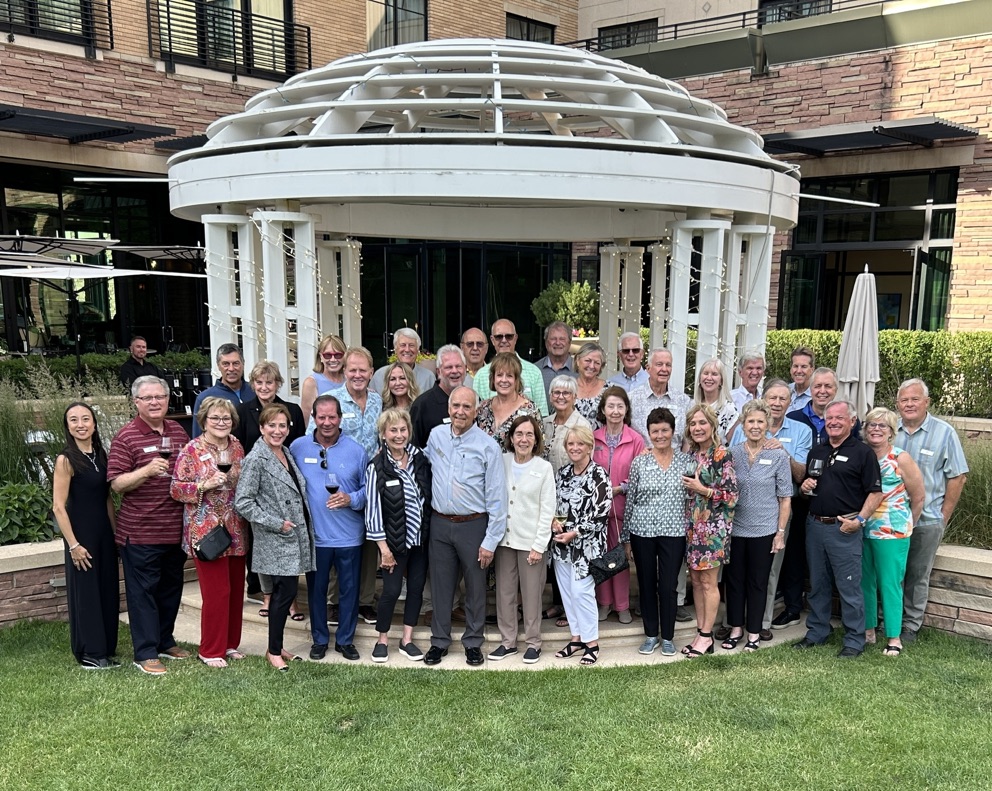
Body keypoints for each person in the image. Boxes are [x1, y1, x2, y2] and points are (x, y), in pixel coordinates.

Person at [107, 375, 192, 675]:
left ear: (168, 400)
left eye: (160, 397)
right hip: (141, 532)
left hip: (174, 530)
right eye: (148, 398)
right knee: (143, 594)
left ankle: (165, 641)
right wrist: (145, 471)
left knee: (170, 589)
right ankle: (144, 652)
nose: (155, 402)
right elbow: (117, 483)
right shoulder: (125, 437)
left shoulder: (178, 431)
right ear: (137, 402)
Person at [423, 387, 507, 666]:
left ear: (475, 411)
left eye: (466, 407)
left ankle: (473, 641)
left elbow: (497, 497)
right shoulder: (435, 436)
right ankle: (439, 641)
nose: (460, 411)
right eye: (455, 405)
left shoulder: (488, 446)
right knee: (441, 587)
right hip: (440, 523)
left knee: (475, 588)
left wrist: (490, 540)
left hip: (474, 525)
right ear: (449, 408)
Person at [796, 400, 883, 658]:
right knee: (818, 584)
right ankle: (817, 632)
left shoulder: (862, 453)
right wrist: (803, 489)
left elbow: (876, 493)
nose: (833, 422)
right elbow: (806, 491)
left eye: (839, 418)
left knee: (849, 587)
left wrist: (860, 521)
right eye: (829, 418)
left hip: (844, 529)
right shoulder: (818, 451)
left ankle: (855, 639)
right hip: (815, 526)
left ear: (852, 421)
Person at [727, 379, 811, 638]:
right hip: (738, 521)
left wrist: (783, 452)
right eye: (771, 397)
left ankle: (759, 625)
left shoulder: (794, 435)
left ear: (789, 402)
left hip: (772, 517)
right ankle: (734, 624)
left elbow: (796, 480)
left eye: (782, 398)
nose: (776, 402)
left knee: (766, 575)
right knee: (736, 576)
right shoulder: (736, 444)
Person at [235, 403, 315, 671]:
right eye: (272, 425)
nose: (278, 430)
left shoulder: (286, 452)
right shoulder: (256, 459)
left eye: (283, 425)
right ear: (261, 427)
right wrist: (276, 523)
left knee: (286, 592)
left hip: (293, 536)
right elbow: (243, 502)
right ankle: (273, 651)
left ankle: (278, 646)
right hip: (275, 538)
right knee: (284, 593)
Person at [170, 397, 248, 668]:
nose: (221, 422)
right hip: (206, 530)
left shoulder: (237, 447)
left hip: (236, 527)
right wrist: (204, 485)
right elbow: (176, 489)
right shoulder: (191, 450)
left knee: (236, 589)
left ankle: (229, 644)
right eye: (215, 418)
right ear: (203, 420)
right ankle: (210, 649)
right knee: (217, 592)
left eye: (226, 418)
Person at [289, 394, 368, 662]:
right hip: (316, 538)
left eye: (331, 417)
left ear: (340, 418)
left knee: (348, 591)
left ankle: (346, 640)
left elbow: (368, 491)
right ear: (313, 418)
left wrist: (351, 499)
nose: (326, 422)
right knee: (316, 592)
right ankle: (319, 639)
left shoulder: (356, 450)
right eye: (321, 417)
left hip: (349, 537)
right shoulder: (298, 447)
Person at [895, 378, 968, 644]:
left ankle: (911, 625)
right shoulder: (890, 430)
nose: (910, 404)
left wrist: (943, 516)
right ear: (897, 404)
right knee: (891, 572)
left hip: (927, 520)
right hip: (890, 519)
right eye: (904, 400)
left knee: (917, 574)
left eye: (915, 399)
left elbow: (957, 477)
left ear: (927, 402)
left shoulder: (944, 432)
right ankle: (886, 621)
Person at [52, 402, 119, 669]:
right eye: (74, 420)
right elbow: (58, 506)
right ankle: (90, 652)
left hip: (104, 533)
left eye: (85, 419)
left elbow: (108, 500)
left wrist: (115, 536)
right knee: (87, 593)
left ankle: (105, 648)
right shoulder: (65, 459)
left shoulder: (102, 454)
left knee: (106, 590)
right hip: (81, 536)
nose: (81, 424)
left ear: (94, 423)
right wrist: (73, 545)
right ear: (67, 426)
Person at [235, 360, 306, 613]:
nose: (264, 387)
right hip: (258, 486)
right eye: (259, 382)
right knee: (261, 543)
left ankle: (291, 598)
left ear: (278, 384)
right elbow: (239, 447)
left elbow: (296, 448)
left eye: (269, 382)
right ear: (253, 384)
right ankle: (265, 594)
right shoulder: (243, 411)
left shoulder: (293, 410)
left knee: (292, 542)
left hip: (286, 483)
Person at [622, 407, 692, 657]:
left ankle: (669, 637)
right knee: (647, 583)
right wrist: (626, 537)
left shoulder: (687, 461)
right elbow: (630, 500)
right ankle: (651, 634)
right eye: (655, 431)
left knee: (669, 586)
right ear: (649, 433)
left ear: (673, 432)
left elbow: (693, 497)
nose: (660, 435)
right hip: (642, 531)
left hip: (674, 532)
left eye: (665, 430)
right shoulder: (640, 462)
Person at [723, 400, 791, 654]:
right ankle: (735, 628)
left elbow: (785, 498)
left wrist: (780, 533)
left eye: (760, 422)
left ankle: (753, 632)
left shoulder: (778, 455)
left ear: (768, 425)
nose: (755, 426)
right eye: (750, 421)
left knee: (758, 582)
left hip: (764, 529)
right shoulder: (733, 453)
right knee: (734, 581)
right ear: (743, 423)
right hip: (735, 529)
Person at [365, 408, 432, 663]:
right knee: (391, 591)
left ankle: (407, 639)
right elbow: (372, 511)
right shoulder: (377, 467)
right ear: (383, 433)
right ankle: (382, 639)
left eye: (403, 430)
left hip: (420, 540)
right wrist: (384, 549)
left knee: (416, 589)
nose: (399, 435)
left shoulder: (419, 459)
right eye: (393, 430)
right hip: (393, 542)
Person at [490, 415, 554, 664]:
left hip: (531, 545)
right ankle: (508, 642)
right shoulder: (501, 461)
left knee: (531, 595)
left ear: (536, 439)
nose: (524, 439)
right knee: (504, 595)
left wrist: (539, 545)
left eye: (529, 434)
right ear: (511, 438)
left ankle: (533, 642)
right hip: (504, 541)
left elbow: (548, 509)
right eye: (519, 434)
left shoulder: (543, 468)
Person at [863, 407, 925, 657]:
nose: (876, 429)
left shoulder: (900, 458)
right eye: (871, 425)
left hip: (893, 532)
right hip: (863, 528)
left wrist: (907, 524)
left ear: (891, 432)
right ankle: (868, 630)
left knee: (889, 584)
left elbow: (919, 496)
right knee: (864, 582)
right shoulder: (863, 456)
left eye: (882, 426)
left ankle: (893, 637)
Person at [551, 424, 612, 666]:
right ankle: (576, 639)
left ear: (590, 446)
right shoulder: (563, 473)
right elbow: (554, 504)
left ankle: (592, 643)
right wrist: (555, 522)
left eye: (580, 444)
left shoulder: (599, 475)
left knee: (581, 592)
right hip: (561, 545)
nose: (575, 448)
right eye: (571, 444)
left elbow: (600, 514)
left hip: (586, 546)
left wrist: (575, 532)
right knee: (567, 593)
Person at [681, 403, 738, 658]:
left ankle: (706, 636)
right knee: (695, 581)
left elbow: (732, 496)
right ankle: (700, 632)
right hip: (693, 527)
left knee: (708, 582)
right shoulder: (691, 455)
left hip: (714, 528)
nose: (697, 428)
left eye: (702, 423)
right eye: (693, 424)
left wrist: (703, 490)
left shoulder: (721, 454)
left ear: (712, 425)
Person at [333, 345, 383, 624]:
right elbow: (316, 438)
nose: (357, 375)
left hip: (370, 487)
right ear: (344, 371)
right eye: (352, 369)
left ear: (371, 373)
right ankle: (337, 601)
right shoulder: (332, 400)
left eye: (363, 370)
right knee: (341, 545)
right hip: (341, 486)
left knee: (367, 545)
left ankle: (364, 601)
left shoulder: (377, 402)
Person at [592, 385, 644, 624]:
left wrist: (620, 488)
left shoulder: (636, 440)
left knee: (620, 558)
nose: (615, 411)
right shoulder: (594, 438)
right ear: (603, 409)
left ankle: (622, 606)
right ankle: (604, 603)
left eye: (619, 406)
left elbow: (641, 474)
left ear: (626, 410)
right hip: (597, 510)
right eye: (610, 406)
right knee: (601, 557)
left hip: (623, 509)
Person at [472, 318, 549, 416]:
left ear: (515, 338)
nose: (504, 340)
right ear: (492, 340)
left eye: (509, 336)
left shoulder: (534, 372)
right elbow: (475, 416)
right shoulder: (481, 375)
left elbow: (542, 415)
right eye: (499, 337)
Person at [629, 347, 692, 447]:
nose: (664, 369)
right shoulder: (631, 399)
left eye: (668, 365)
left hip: (676, 461)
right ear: (648, 368)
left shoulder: (684, 401)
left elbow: (688, 440)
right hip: (642, 460)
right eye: (659, 364)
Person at [476, 351, 539, 447]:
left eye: (509, 375)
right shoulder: (483, 408)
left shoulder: (530, 410)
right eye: (499, 375)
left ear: (516, 379)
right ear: (493, 378)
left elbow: (538, 447)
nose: (504, 380)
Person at [410, 344, 467, 448]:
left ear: (465, 369)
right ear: (438, 372)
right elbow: (413, 448)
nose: (454, 371)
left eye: (458, 366)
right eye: (448, 367)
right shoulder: (422, 406)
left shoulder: (473, 400)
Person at [192, 343, 254, 437]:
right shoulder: (205, 397)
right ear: (218, 366)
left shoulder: (255, 391)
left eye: (236, 363)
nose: (231, 368)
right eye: (226, 364)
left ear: (243, 364)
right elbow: (197, 439)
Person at [543, 375, 592, 475]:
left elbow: (586, 465)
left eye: (566, 393)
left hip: (570, 486)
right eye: (556, 392)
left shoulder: (582, 425)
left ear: (574, 397)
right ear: (551, 397)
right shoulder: (544, 424)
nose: (561, 397)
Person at [369, 327, 436, 395]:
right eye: (403, 345)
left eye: (411, 345)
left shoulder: (428, 377)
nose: (407, 349)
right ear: (395, 348)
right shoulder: (380, 375)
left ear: (417, 349)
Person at [693, 358, 739, 445]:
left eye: (714, 374)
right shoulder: (692, 405)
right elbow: (687, 441)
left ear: (721, 381)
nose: (709, 378)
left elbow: (733, 444)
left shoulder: (729, 409)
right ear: (699, 379)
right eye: (705, 373)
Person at [300, 334, 347, 420]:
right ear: (321, 357)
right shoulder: (311, 383)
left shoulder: (349, 380)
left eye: (338, 355)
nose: (333, 359)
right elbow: (307, 421)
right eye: (328, 355)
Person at [535, 321, 576, 404]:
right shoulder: (535, 370)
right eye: (553, 339)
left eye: (562, 339)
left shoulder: (579, 369)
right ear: (546, 343)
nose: (557, 343)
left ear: (569, 343)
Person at [573, 342, 608, 428]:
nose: (592, 366)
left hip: (601, 441)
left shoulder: (609, 389)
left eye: (597, 363)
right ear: (578, 361)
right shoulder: (568, 388)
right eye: (588, 361)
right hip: (572, 441)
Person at [788, 346, 815, 412]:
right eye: (795, 366)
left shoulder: (816, 396)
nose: (799, 371)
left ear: (812, 370)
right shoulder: (785, 391)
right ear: (791, 369)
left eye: (804, 367)